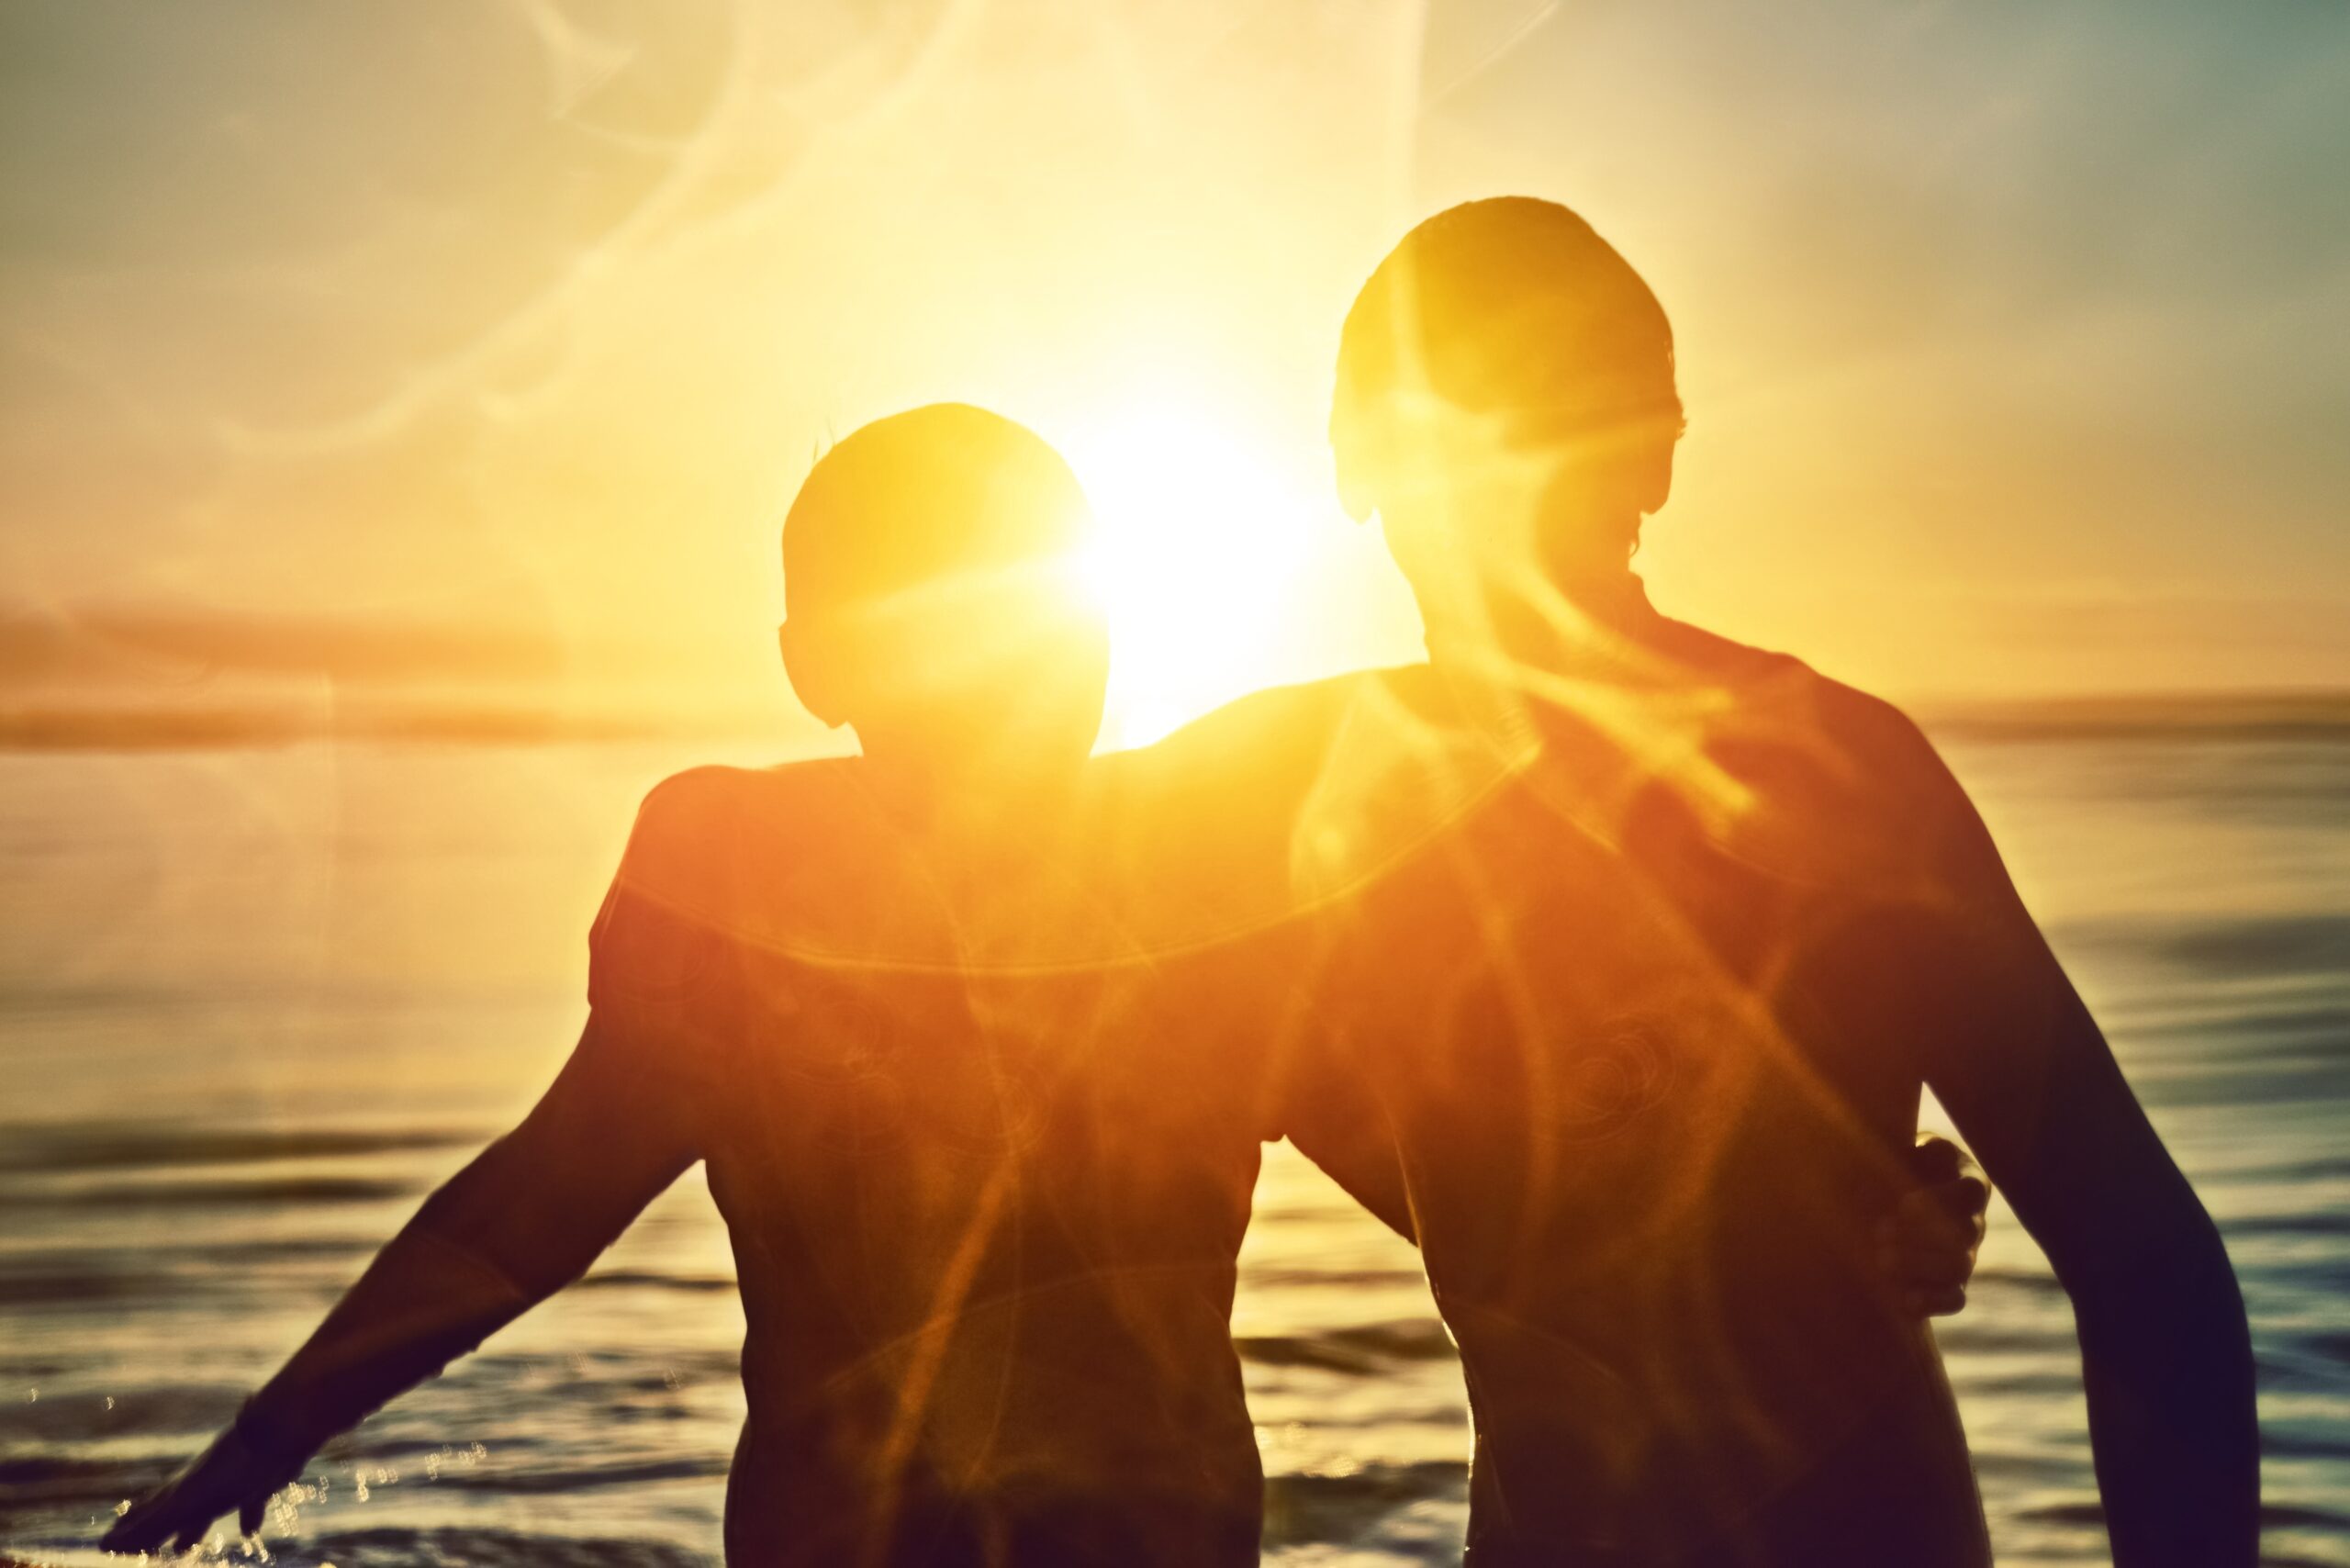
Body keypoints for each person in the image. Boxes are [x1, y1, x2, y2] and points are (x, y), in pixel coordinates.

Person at [101, 398, 1988, 1566]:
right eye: (936, 624)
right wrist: (259, 1444)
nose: (1014, 668)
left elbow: (1487, 1206)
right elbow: (537, 1200)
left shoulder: (1196, 892)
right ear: (811, 664)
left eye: (1050, 609)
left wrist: (1802, 1221)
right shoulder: (736, 887)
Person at [1146, 197, 2257, 1565]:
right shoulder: (1266, 799)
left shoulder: (1823, 780)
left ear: (1656, 457)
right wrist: (1746, 1212)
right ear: (1351, 458)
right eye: (1455, 425)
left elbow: (2145, 1262)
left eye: (1550, 421)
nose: (1495, 475)